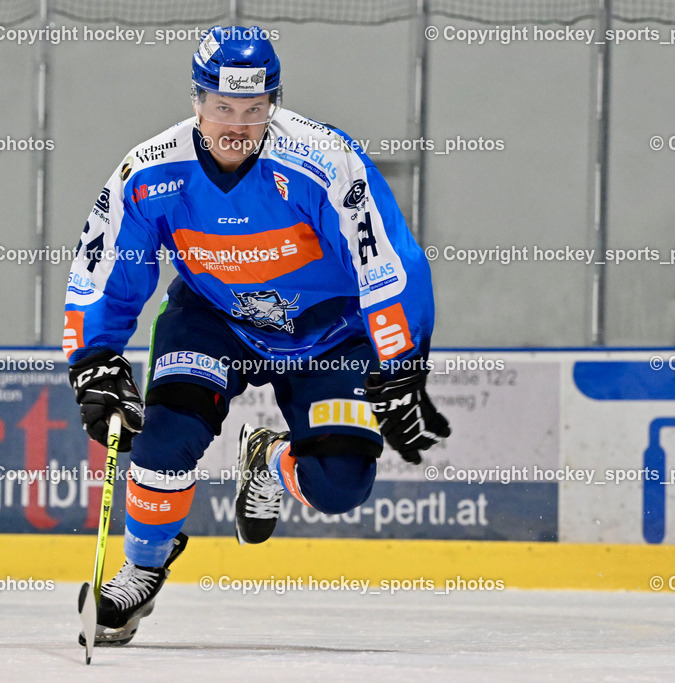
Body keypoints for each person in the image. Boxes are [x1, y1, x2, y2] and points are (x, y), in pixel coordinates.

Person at [65, 25, 450, 646]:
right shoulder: (150, 173)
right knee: (165, 435)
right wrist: (96, 356)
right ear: (196, 101)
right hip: (215, 321)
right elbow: (108, 264)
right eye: (222, 108)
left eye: (253, 109)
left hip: (331, 334)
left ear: (274, 102)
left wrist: (403, 362)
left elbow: (386, 259)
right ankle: (139, 571)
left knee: (338, 485)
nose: (236, 126)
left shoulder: (324, 161)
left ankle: (267, 458)